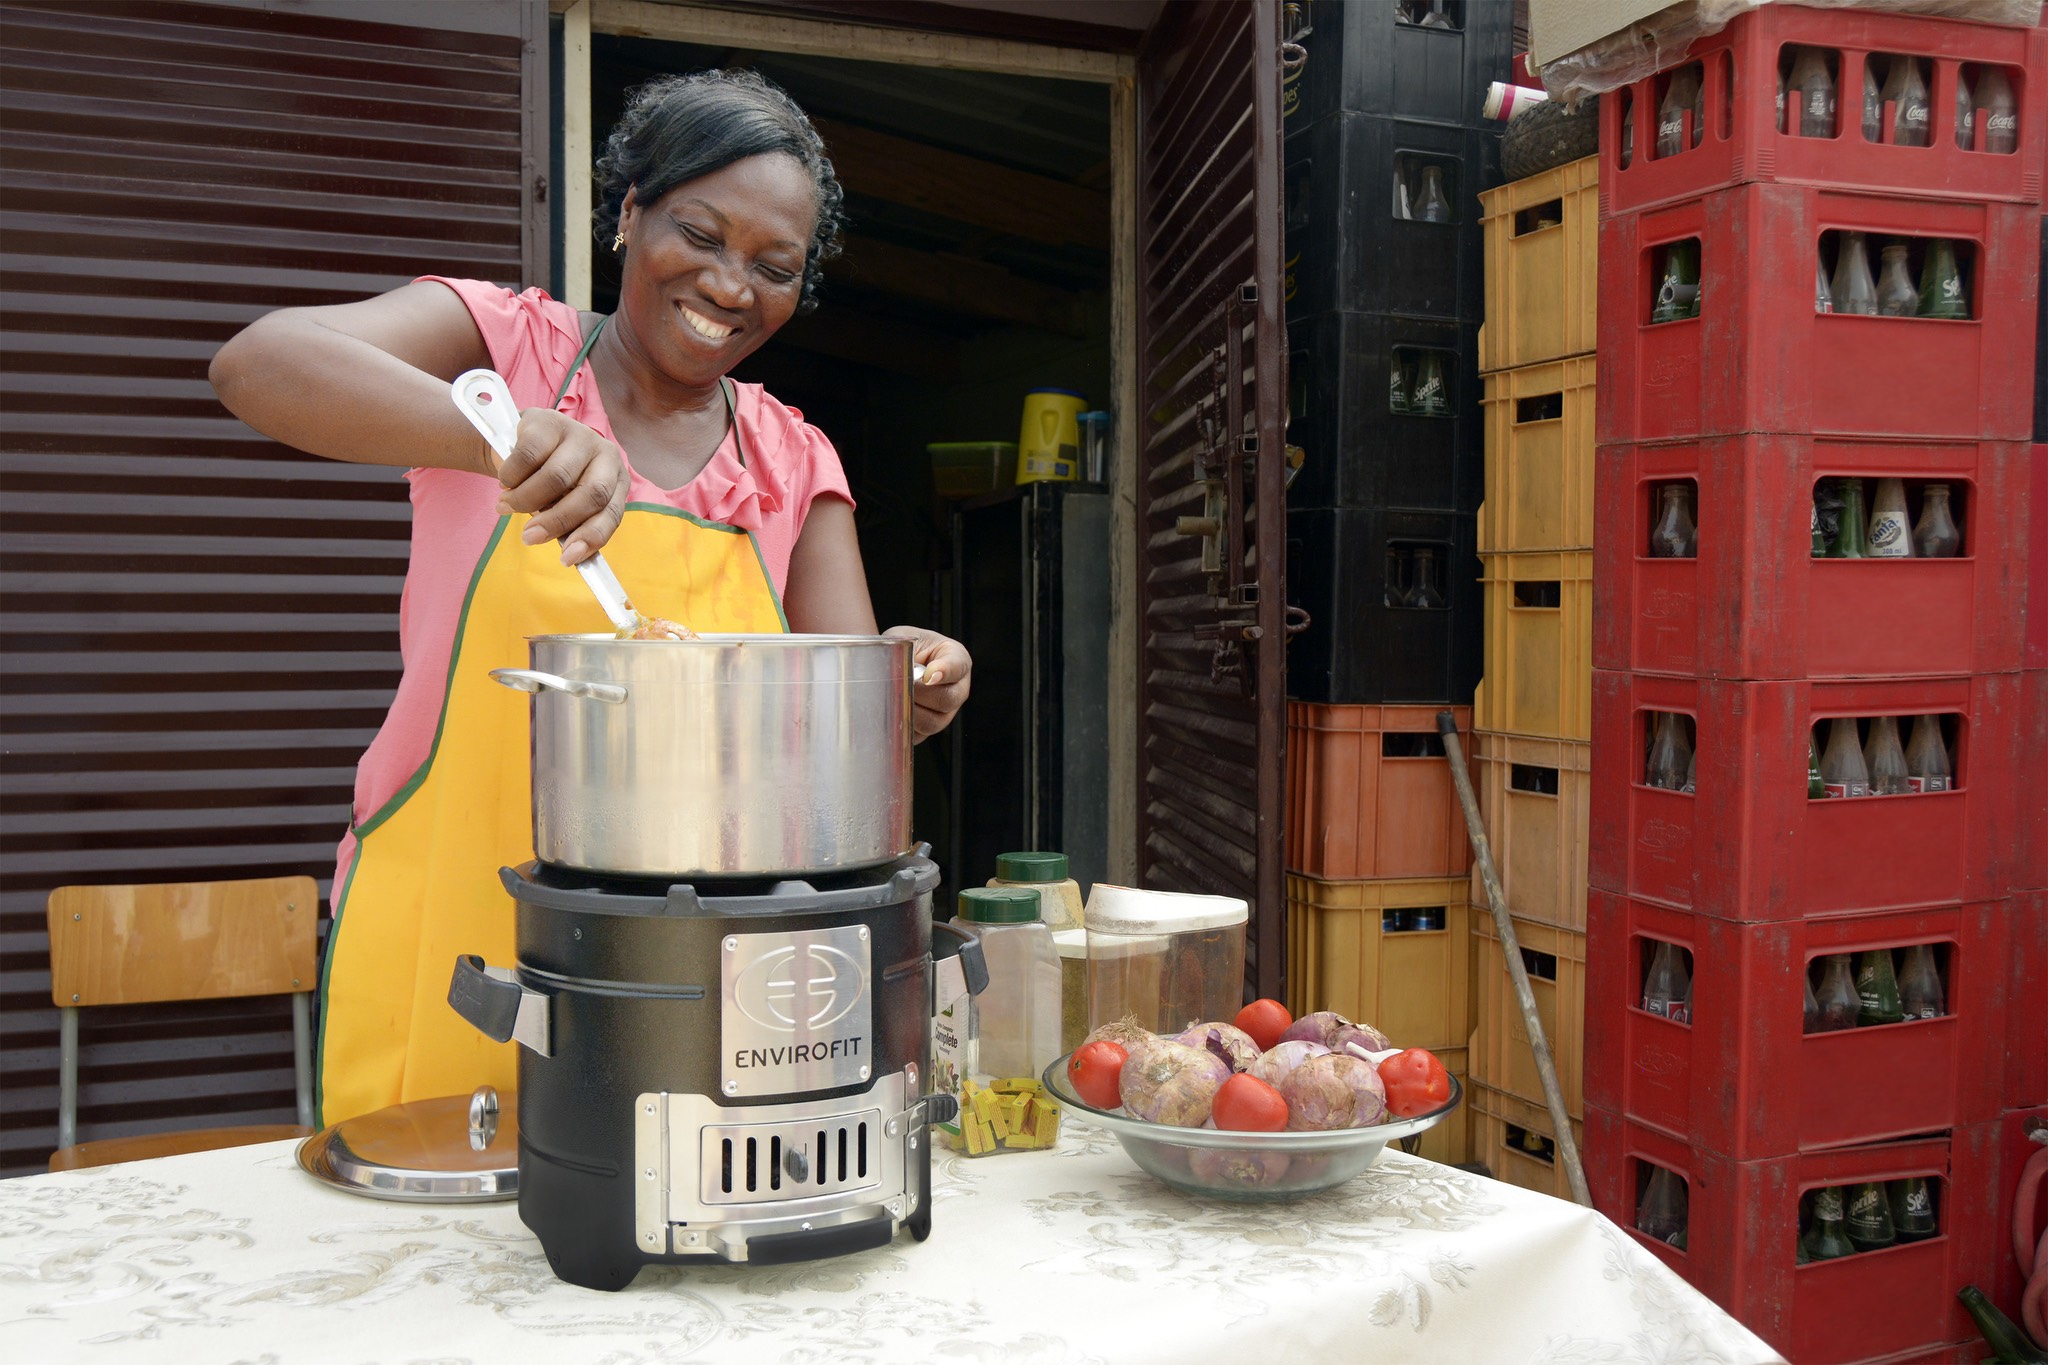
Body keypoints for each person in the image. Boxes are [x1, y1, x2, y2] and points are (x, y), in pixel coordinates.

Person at [210, 70, 971, 1126]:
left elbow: (843, 714)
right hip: (450, 920)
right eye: (699, 234)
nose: (728, 284)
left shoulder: (792, 459)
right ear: (627, 215)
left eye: (773, 266)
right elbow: (257, 364)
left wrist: (912, 684)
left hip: (691, 964)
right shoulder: (505, 349)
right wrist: (491, 435)